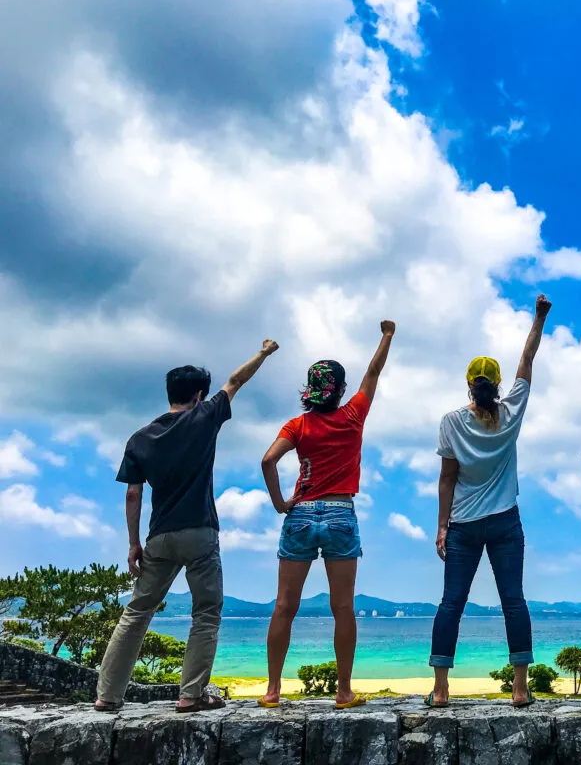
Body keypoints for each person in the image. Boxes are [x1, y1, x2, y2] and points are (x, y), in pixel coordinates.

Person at [95, 340, 279, 713]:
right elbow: (236, 381)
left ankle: (107, 696)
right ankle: (190, 695)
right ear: (198, 396)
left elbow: (133, 495)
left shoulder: (140, 438)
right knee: (206, 612)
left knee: (136, 613)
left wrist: (134, 544)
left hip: (158, 537)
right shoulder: (205, 417)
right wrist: (263, 353)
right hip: (200, 532)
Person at [258, 321, 396, 710]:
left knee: (285, 605)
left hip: (300, 515)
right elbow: (373, 373)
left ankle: (271, 692)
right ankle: (343, 692)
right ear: (338, 389)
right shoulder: (352, 415)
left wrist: (281, 502)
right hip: (339, 513)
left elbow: (269, 460)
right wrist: (386, 335)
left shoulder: (298, 425)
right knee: (343, 608)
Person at [425, 295, 551, 709]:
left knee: (452, 604)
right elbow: (527, 362)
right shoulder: (511, 411)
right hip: (504, 523)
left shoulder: (451, 421)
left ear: (468, 384)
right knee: (513, 601)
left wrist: (442, 526)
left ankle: (441, 690)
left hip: (462, 524)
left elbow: (447, 479)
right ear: (497, 385)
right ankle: (519, 688)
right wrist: (538, 318)